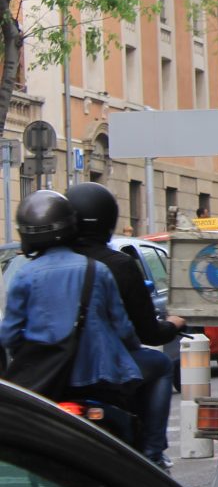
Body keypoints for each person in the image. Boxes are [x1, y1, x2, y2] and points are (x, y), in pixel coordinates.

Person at [67, 182, 186, 468]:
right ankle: (153, 454)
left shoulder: (45, 265)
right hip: (106, 367)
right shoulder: (118, 266)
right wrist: (172, 324)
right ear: (109, 219)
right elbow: (143, 332)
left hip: (57, 368)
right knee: (160, 365)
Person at [0, 190, 141, 416]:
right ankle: (152, 449)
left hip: (49, 377)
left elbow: (9, 336)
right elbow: (122, 327)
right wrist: (134, 346)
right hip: (101, 374)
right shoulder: (98, 270)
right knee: (160, 369)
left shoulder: (24, 276)